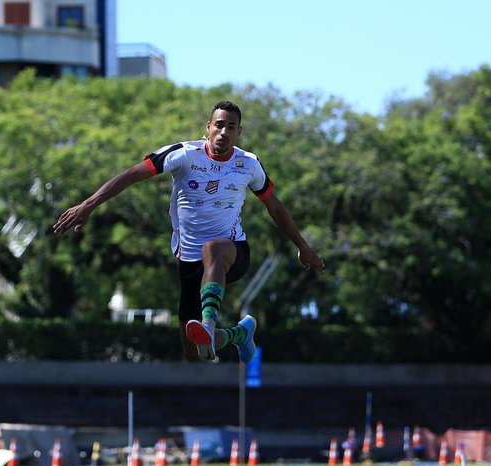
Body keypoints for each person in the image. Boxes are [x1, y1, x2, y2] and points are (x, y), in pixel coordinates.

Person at [54, 100, 325, 362]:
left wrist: (303, 246)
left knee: (213, 249)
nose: (224, 132)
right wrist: (88, 205)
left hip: (232, 252)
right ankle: (238, 334)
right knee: (195, 354)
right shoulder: (184, 154)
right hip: (190, 260)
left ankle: (208, 323)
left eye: (231, 127)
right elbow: (130, 175)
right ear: (208, 127)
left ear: (239, 132)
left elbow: (275, 207)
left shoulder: (249, 164)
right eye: (219, 125)